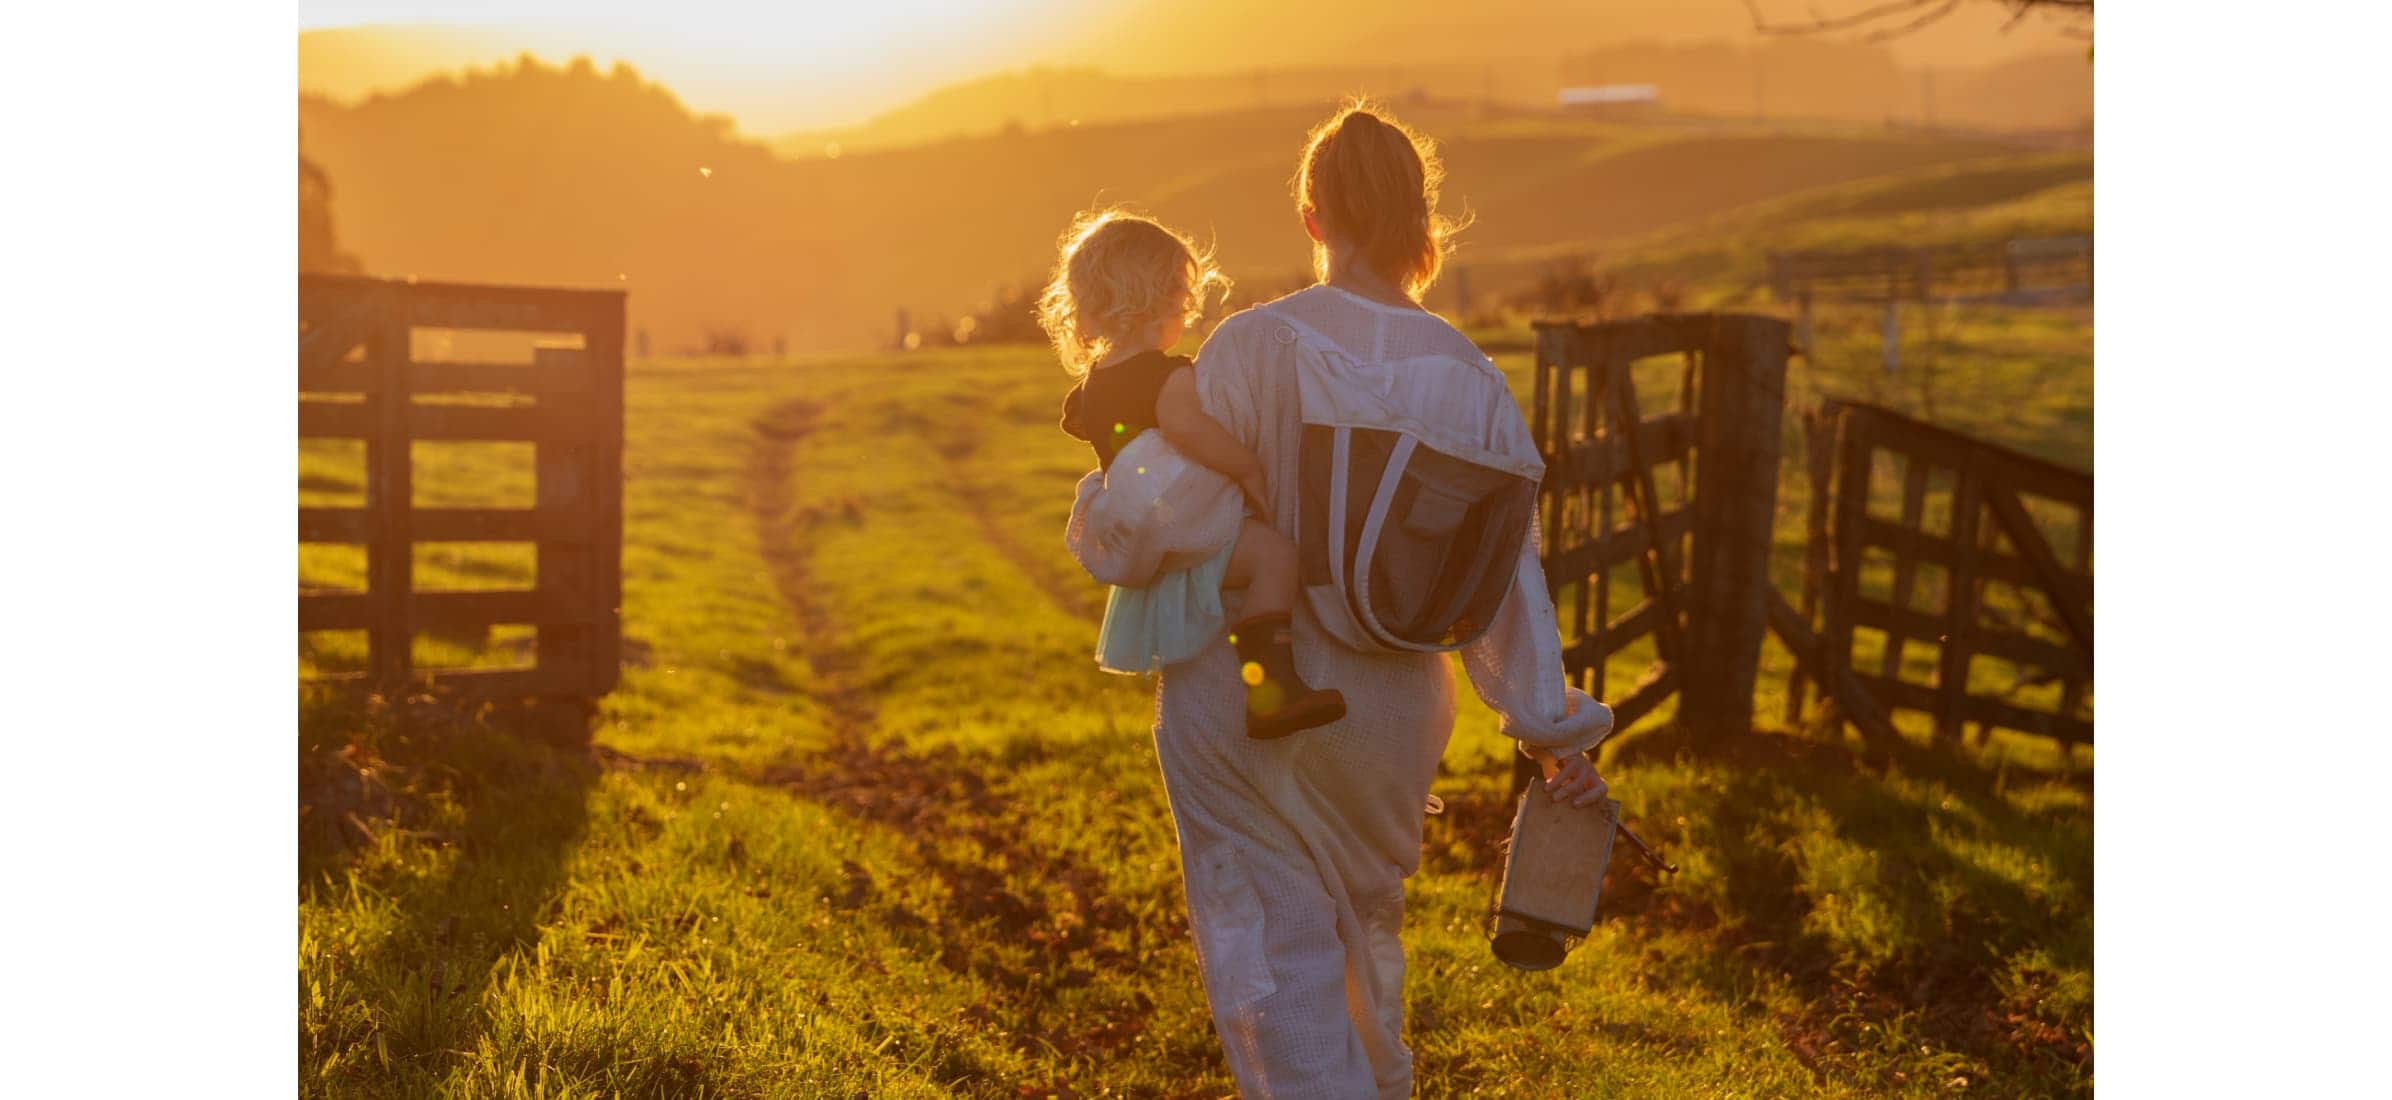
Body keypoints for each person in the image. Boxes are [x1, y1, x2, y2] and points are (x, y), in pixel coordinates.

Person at [1065, 103, 1614, 1097]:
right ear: (1420, 224)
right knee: (1365, 932)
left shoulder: (1254, 346)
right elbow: (1507, 579)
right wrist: (1550, 732)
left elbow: (1159, 524)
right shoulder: (1472, 377)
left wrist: (1093, 507)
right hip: (1397, 711)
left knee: (1273, 955)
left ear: (1313, 216)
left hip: (1246, 701)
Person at [1043, 209, 1347, 740]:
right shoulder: (1168, 375)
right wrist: (1247, 466)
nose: (1184, 316)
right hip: (1182, 525)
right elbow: (1188, 430)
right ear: (1156, 303)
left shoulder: (1091, 385)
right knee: (1275, 558)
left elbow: (1092, 432)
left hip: (1144, 531)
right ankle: (1271, 690)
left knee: (1248, 558)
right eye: (1181, 304)